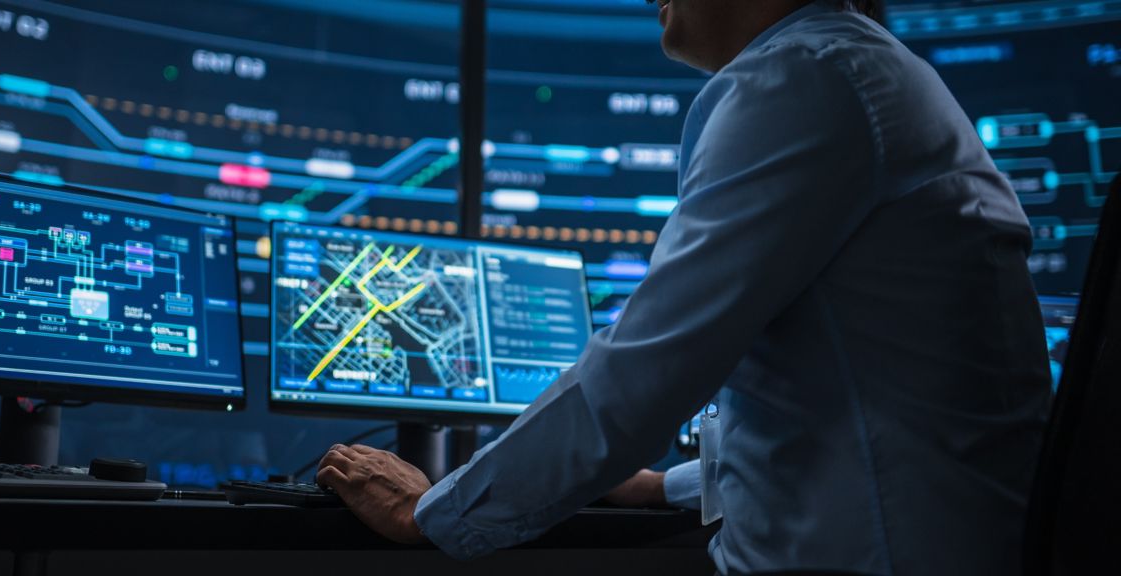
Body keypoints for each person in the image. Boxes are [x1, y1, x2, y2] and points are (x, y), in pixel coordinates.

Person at [315, 0, 1053, 573]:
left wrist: (431, 511)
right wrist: (660, 486)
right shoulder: (860, 73)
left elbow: (641, 376)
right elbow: (851, 407)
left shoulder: (805, 78)